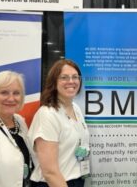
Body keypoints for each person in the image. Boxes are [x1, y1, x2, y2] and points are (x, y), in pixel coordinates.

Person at [28, 59, 90, 187]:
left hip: (75, 180)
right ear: (54, 82)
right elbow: (50, 172)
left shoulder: (75, 108)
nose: (71, 81)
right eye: (64, 77)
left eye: (75, 77)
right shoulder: (47, 114)